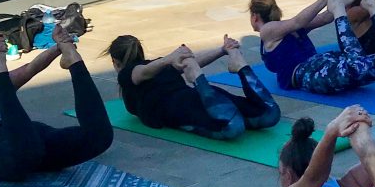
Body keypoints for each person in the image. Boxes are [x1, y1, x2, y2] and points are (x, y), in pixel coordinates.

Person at [0, 26, 112, 182]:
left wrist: (60, 47)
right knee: (26, 150)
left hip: (31, 140)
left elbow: (31, 68)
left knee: (99, 137)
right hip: (4, 151)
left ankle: (74, 61)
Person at [105, 33, 280, 140]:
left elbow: (140, 73)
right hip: (208, 97)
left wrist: (219, 51)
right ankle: (241, 67)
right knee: (269, 114)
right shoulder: (154, 66)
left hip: (194, 107)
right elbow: (144, 71)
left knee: (232, 127)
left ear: (116, 62)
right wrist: (223, 50)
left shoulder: (127, 74)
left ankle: (196, 75)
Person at [251, 0, 375, 95]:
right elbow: (299, 21)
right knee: (374, 62)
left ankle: (371, 6)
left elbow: (323, 18)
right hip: (319, 68)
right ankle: (373, 8)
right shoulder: (277, 29)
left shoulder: (270, 29)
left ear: (255, 16)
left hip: (316, 69)